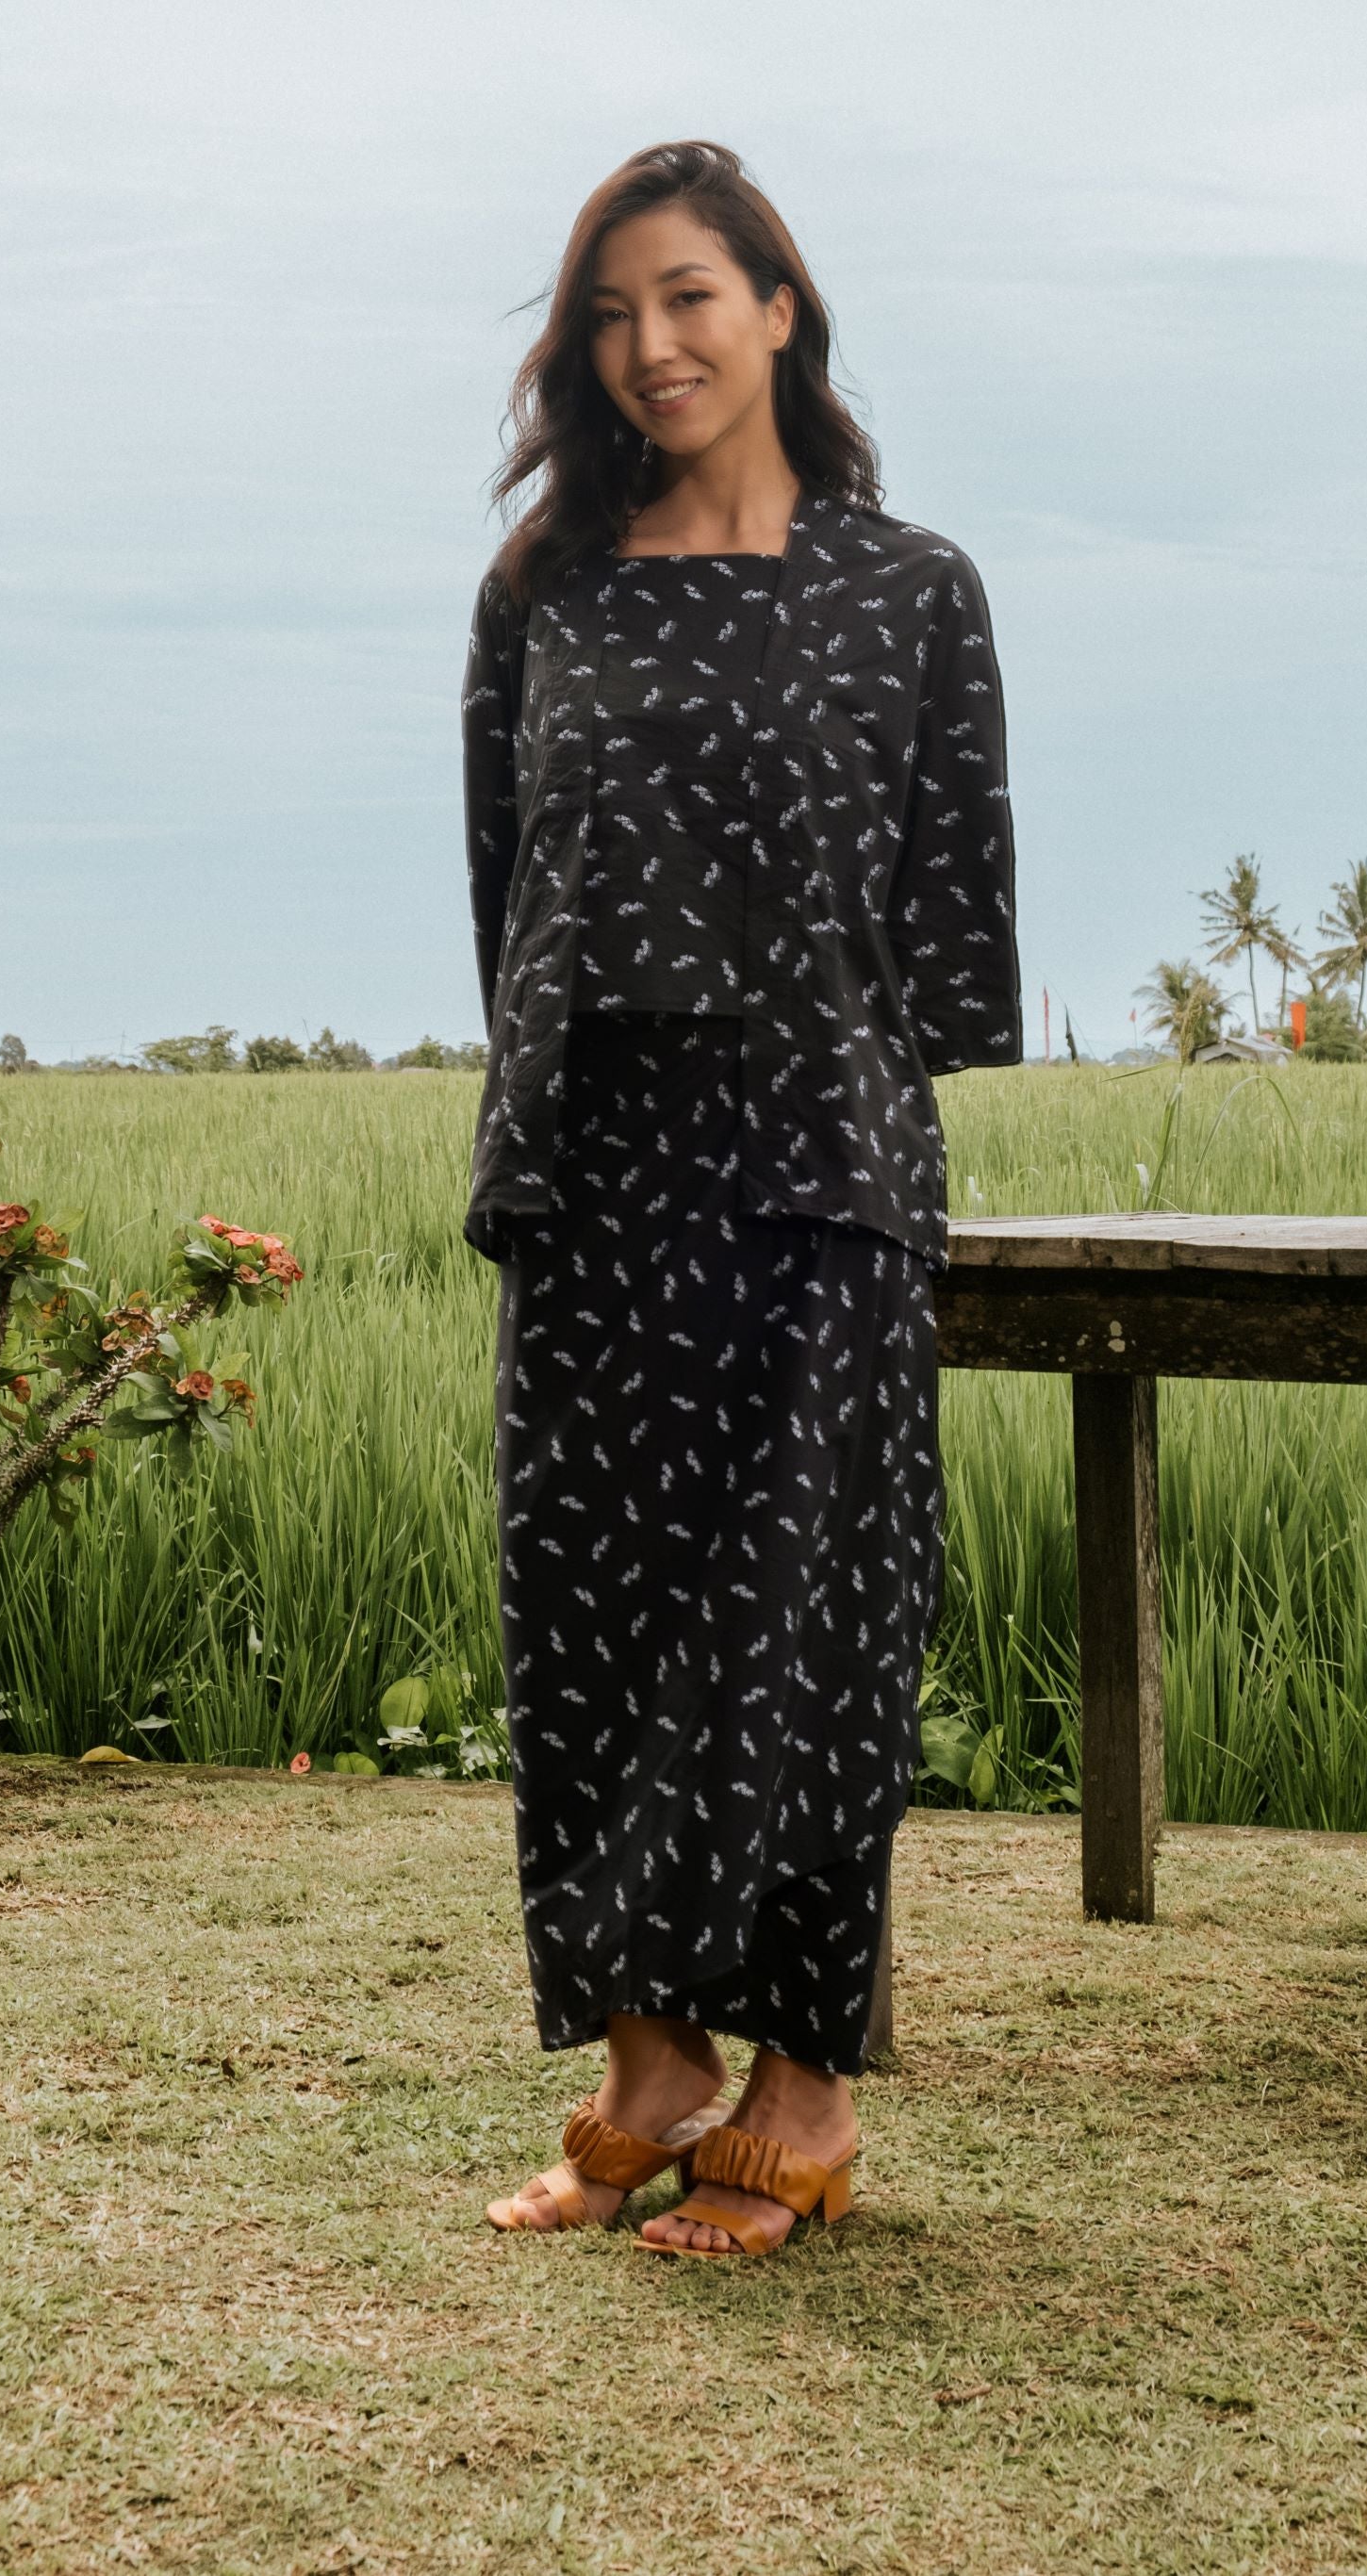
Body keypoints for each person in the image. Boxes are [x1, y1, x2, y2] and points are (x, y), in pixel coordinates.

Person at [464, 139, 1018, 2256]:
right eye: (607, 314)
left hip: (819, 1177)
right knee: (582, 1621)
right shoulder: (545, 590)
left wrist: (834, 1088)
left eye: (687, 296)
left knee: (811, 1633)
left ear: (779, 308)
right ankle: (645, 2061)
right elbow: (508, 897)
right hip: (592, 1165)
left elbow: (950, 930)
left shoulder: (909, 588)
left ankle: (795, 2095)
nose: (648, 346)